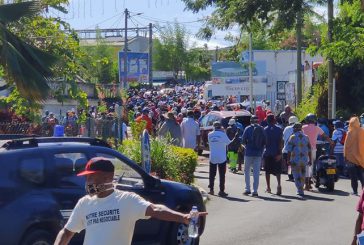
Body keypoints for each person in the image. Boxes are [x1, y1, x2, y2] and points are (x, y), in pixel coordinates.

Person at [54, 158, 207, 245]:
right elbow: (67, 232)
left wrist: (183, 217)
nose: (87, 182)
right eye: (86, 178)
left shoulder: (126, 200)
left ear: (107, 178)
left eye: (91, 177)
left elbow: (155, 209)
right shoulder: (84, 203)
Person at [302, 113, 334, 191]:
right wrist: (331, 142)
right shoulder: (317, 128)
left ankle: (306, 184)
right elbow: (325, 136)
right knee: (311, 166)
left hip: (303, 149)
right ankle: (308, 183)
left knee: (305, 166)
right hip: (313, 150)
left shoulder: (303, 127)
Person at [285, 123, 312, 197]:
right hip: (304, 159)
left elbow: (289, 150)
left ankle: (299, 190)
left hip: (295, 159)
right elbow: (310, 149)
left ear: (295, 129)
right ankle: (301, 189)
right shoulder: (306, 137)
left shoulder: (292, 137)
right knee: (303, 174)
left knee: (296, 175)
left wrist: (288, 159)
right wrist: (310, 160)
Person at [242, 115, 266, 197]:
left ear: (251, 121)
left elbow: (243, 141)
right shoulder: (261, 129)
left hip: (248, 153)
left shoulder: (247, 128)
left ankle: (247, 189)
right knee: (256, 173)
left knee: (247, 172)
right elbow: (265, 141)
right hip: (258, 153)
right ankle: (255, 191)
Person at [208, 121, 231, 197]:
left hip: (213, 156)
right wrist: (223, 132)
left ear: (213, 127)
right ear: (220, 127)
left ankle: (211, 189)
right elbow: (228, 142)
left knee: (212, 174)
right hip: (222, 157)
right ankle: (221, 191)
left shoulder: (209, 134)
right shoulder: (223, 134)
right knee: (222, 175)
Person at [263, 114, 283, 195]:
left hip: (267, 153)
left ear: (267, 120)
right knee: (278, 171)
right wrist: (280, 154)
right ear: (274, 120)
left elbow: (264, 143)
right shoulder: (279, 129)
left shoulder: (264, 130)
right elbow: (281, 142)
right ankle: (279, 186)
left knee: (267, 171)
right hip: (276, 153)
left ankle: (268, 187)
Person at [344, 117, 364, 195]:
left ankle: (355, 191)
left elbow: (346, 146)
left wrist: (345, 156)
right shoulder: (362, 131)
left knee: (353, 176)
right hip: (361, 157)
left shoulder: (350, 132)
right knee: (361, 175)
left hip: (351, 158)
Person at [282, 116, 299, 181]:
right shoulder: (299, 128)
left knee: (288, 164)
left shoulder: (286, 128)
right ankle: (295, 175)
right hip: (295, 150)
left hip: (286, 149)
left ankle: (290, 176)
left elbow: (283, 138)